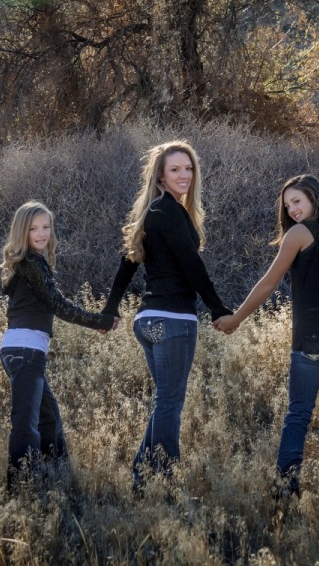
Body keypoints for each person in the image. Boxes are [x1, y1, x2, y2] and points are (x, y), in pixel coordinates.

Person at [214, 174, 319, 511]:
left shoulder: (299, 234)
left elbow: (269, 283)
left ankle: (284, 493)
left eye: (297, 201)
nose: (292, 210)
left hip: (313, 336)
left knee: (298, 415)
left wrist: (236, 318)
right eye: (287, 206)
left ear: (315, 197)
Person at [101, 140, 232, 494]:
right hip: (173, 322)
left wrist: (112, 309)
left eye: (188, 169)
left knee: (165, 401)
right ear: (160, 175)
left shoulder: (153, 212)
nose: (184, 175)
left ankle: (142, 475)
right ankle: (166, 481)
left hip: (147, 322)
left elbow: (127, 263)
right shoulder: (169, 211)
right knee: (170, 402)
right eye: (175, 169)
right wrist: (218, 308)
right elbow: (193, 265)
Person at [0, 200, 119, 492]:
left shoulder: (28, 264)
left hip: (20, 349)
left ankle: (57, 480)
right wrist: (99, 321)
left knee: (48, 418)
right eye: (33, 228)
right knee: (26, 425)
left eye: (46, 227)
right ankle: (21, 491)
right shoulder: (31, 263)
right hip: (26, 351)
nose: (41, 234)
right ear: (21, 233)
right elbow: (58, 305)